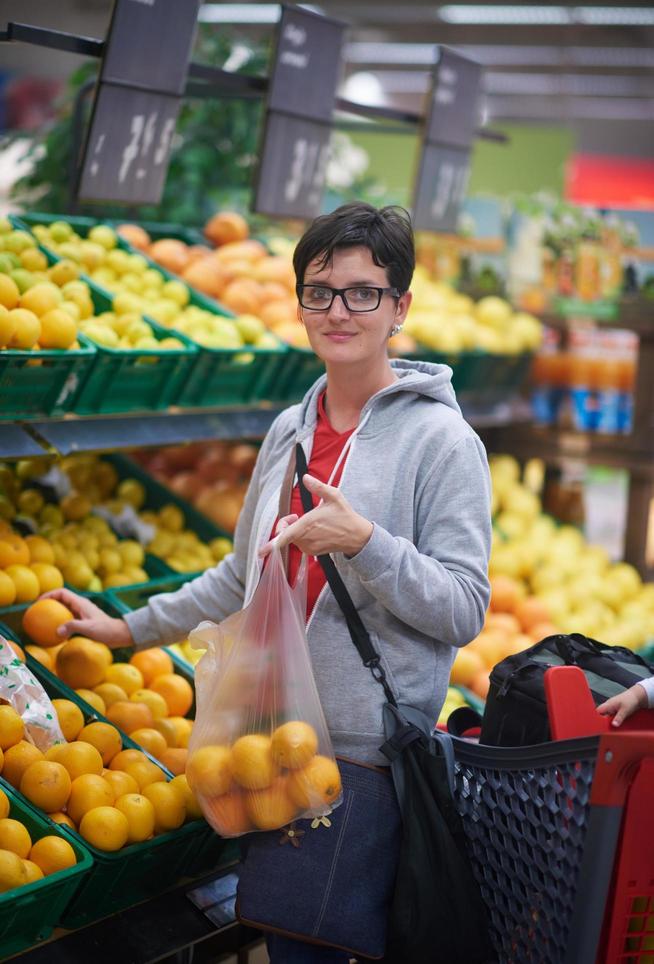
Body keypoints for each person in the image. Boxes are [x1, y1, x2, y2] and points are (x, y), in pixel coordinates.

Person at [46, 202, 492, 962]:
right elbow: (237, 575)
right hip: (260, 747)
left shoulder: (443, 443)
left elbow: (464, 607)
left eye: (363, 292)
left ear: (400, 308)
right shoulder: (289, 429)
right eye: (319, 291)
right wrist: (127, 630)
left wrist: (366, 543)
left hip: (358, 763)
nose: (338, 311)